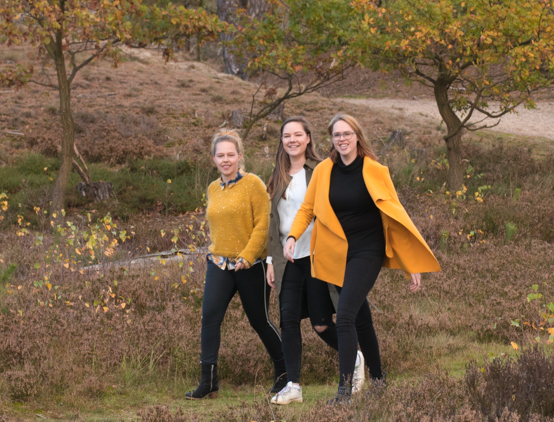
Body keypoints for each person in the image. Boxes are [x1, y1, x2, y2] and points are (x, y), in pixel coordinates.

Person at [285, 113, 441, 404]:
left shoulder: (375, 170)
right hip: (337, 252)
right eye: (336, 135)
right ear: (331, 140)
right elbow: (308, 209)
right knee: (361, 318)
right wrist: (292, 237)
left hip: (367, 251)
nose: (342, 139)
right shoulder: (323, 171)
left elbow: (396, 216)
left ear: (357, 136)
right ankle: (379, 380)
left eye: (347, 134)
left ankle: (344, 392)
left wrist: (410, 264)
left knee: (343, 316)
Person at [265, 117, 366, 405]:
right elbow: (274, 223)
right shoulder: (276, 176)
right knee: (288, 321)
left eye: (298, 135)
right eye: (287, 136)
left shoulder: (322, 170)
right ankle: (293, 385)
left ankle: (354, 356)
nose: (292, 140)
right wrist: (271, 259)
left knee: (322, 324)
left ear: (309, 138)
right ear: (282, 141)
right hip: (288, 260)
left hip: (317, 255)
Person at [186, 130, 286, 400]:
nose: (226, 160)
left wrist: (248, 255)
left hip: (249, 265)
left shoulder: (253, 184)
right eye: (221, 155)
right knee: (210, 318)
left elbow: (263, 224)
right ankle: (209, 382)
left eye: (231, 154)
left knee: (260, 320)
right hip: (218, 264)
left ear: (240, 156)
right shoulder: (212, 188)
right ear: (213, 159)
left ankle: (285, 374)